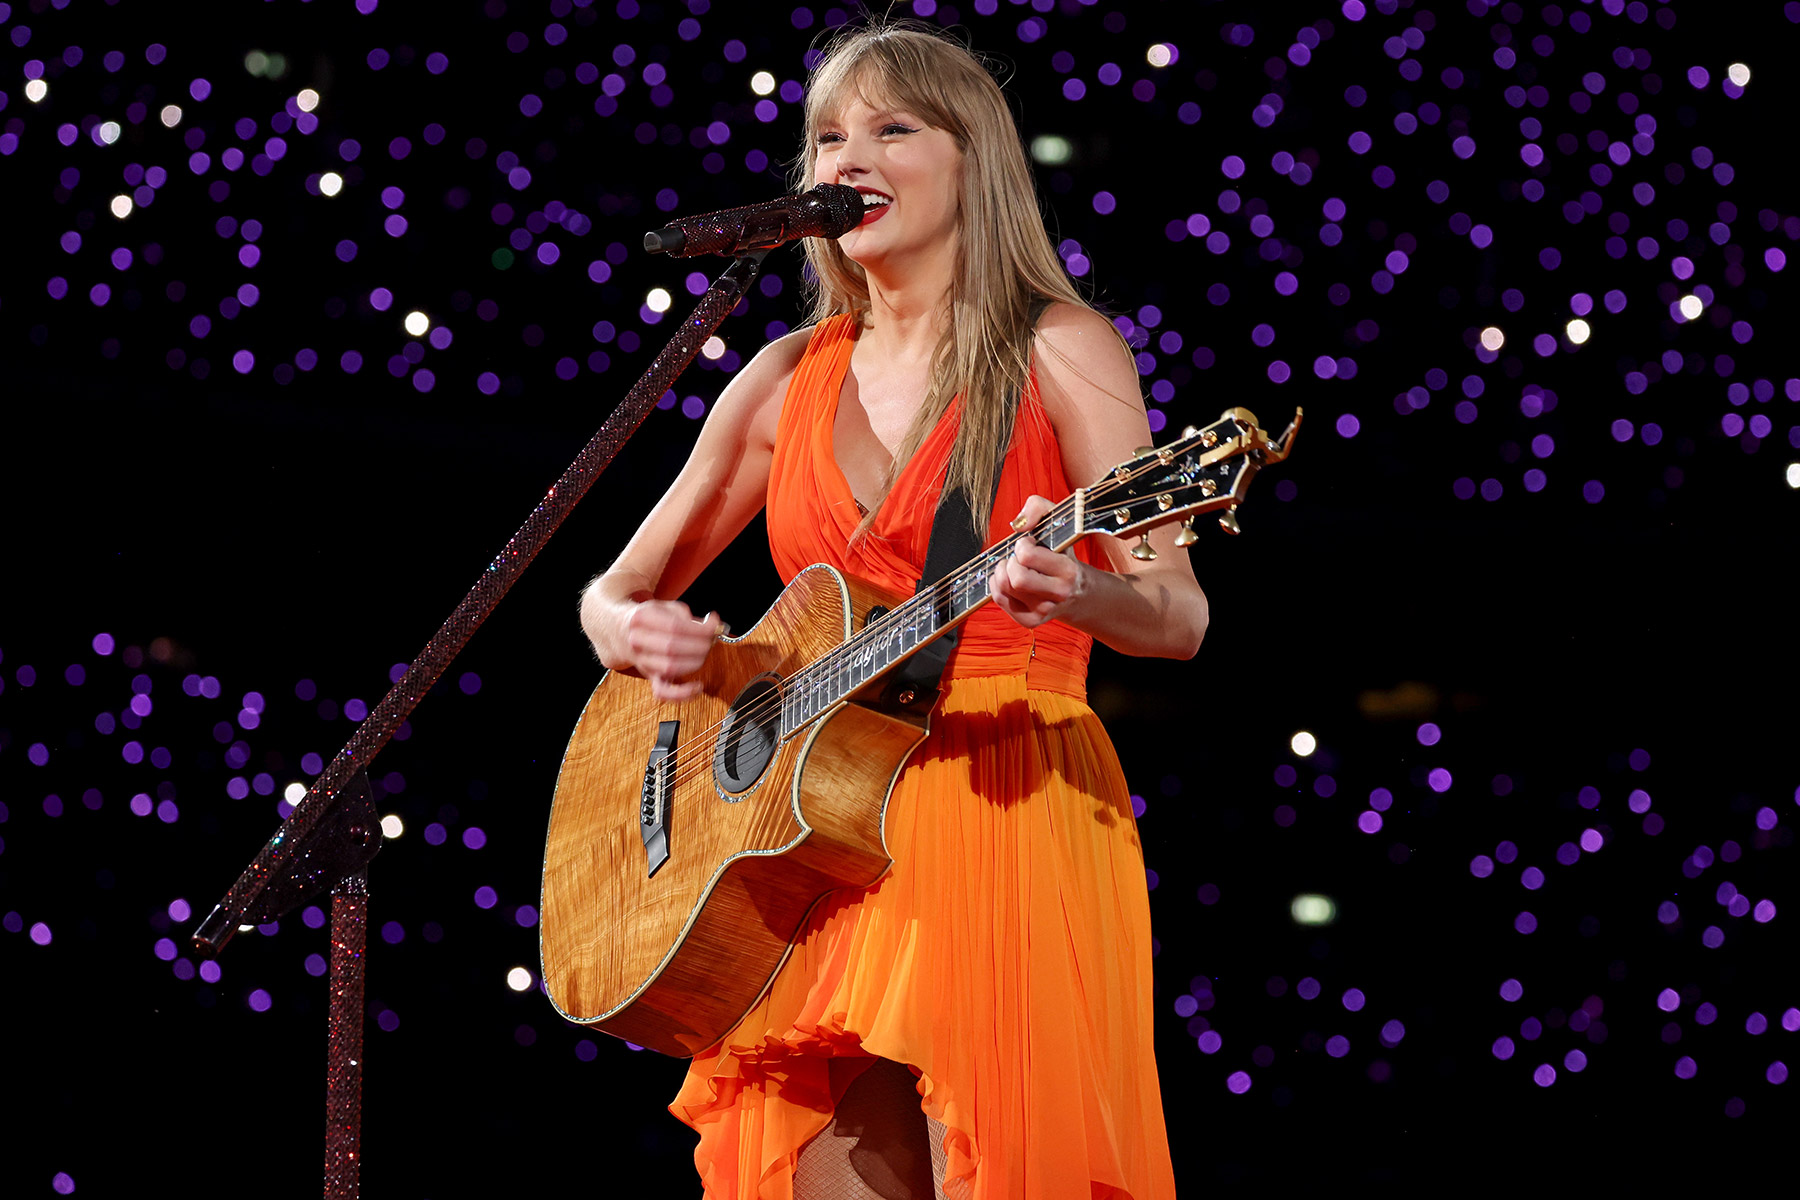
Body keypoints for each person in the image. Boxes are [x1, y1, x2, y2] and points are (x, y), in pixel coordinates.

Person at [579, 21, 1205, 1200]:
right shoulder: (779, 378)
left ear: (977, 161)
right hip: (811, 843)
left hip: (1003, 804)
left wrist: (1085, 587)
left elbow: (1179, 615)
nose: (848, 158)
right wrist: (628, 631)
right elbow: (618, 586)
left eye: (892, 128)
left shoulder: (1060, 352)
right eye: (826, 136)